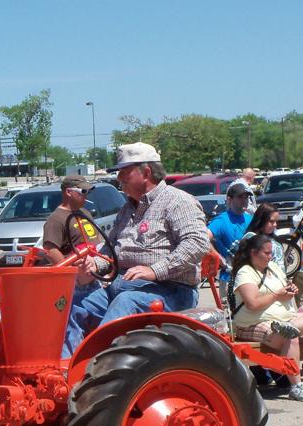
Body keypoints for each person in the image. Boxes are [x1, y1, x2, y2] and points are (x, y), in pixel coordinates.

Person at [63, 142, 211, 356]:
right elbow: (111, 252)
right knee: (75, 304)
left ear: (146, 172)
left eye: (124, 172)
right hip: (123, 288)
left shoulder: (178, 202)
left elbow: (197, 243)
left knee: (126, 303)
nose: (119, 178)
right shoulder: (126, 209)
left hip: (171, 290)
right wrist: (94, 264)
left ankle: (91, 367)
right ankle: (62, 371)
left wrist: (155, 270)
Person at [231, 235, 303, 401]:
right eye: (266, 253)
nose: (270, 256)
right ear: (253, 253)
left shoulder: (273, 267)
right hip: (253, 323)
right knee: (291, 336)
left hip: (285, 319)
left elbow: (283, 294)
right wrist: (277, 294)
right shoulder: (245, 272)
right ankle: (297, 386)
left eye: (271, 253)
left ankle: (287, 326)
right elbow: (252, 304)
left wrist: (289, 291)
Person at [208, 182, 252, 297]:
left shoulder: (250, 218)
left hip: (251, 275)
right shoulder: (222, 220)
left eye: (246, 197)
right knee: (230, 314)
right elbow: (202, 238)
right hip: (229, 278)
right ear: (229, 199)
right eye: (240, 197)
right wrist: (218, 257)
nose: (245, 200)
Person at [241, 202, 286, 272]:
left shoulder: (275, 239)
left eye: (276, 222)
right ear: (261, 220)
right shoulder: (250, 238)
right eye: (271, 221)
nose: (275, 225)